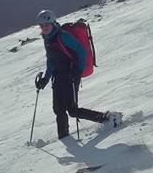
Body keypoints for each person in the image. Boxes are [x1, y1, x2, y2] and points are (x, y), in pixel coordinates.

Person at [34, 9, 120, 139]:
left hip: (71, 75)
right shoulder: (47, 39)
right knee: (59, 109)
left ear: (53, 23)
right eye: (42, 26)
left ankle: (108, 118)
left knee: (72, 110)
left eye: (47, 25)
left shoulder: (63, 36)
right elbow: (51, 60)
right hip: (58, 77)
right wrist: (45, 79)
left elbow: (81, 51)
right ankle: (64, 137)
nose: (44, 28)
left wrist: (77, 71)